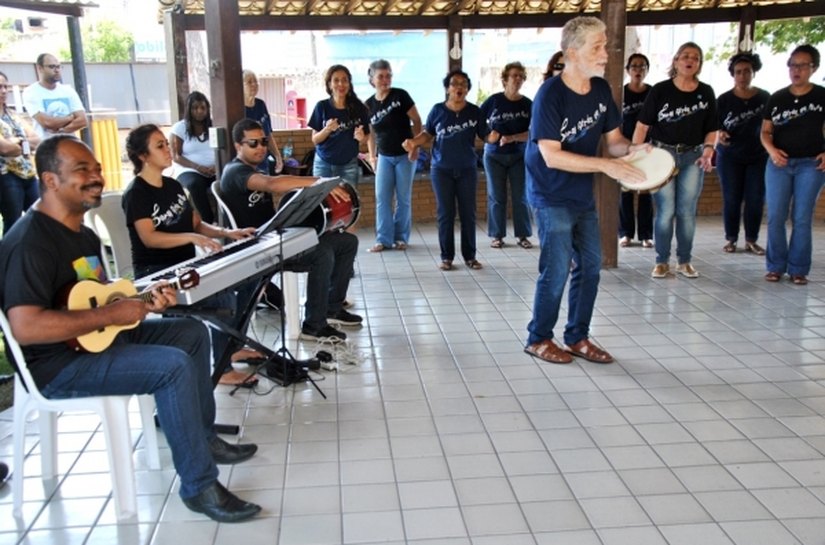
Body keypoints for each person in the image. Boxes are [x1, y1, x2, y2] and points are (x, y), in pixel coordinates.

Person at [0, 135, 261, 522]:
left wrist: (143, 300)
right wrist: (111, 315)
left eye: (97, 169)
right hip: (57, 365)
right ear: (50, 180)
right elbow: (25, 327)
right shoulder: (30, 242)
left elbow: (95, 294)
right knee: (171, 366)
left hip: (95, 342)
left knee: (190, 333)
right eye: (82, 170)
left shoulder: (84, 235)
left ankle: (203, 438)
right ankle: (199, 486)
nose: (96, 177)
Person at [523, 16, 645, 365]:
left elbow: (615, 141)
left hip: (580, 194)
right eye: (597, 47)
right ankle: (538, 338)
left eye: (605, 45)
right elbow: (551, 155)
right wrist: (606, 165)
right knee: (557, 268)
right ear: (572, 52)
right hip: (550, 194)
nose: (606, 54)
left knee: (591, 266)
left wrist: (635, 151)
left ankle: (577, 337)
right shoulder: (550, 94)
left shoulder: (601, 90)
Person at [121, 124, 262, 386]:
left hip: (186, 267)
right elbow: (149, 237)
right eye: (160, 146)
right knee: (222, 297)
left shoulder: (173, 185)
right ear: (142, 156)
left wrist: (228, 233)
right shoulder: (136, 193)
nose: (168, 149)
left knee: (245, 282)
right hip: (157, 274)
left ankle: (231, 348)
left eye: (166, 143)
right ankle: (222, 369)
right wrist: (190, 237)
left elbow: (196, 223)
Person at [220, 119, 361, 342]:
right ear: (238, 146)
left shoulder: (255, 169)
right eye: (253, 143)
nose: (261, 147)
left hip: (274, 239)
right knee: (321, 253)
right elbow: (272, 184)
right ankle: (314, 325)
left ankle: (332, 308)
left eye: (263, 141)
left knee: (346, 242)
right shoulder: (235, 172)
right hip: (256, 249)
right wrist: (320, 181)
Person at [633, 42, 718, 279]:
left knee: (686, 211)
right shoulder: (660, 90)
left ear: (699, 64)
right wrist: (637, 155)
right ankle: (661, 261)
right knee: (665, 210)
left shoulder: (706, 92)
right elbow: (642, 126)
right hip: (663, 155)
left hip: (693, 156)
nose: (690, 60)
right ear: (676, 61)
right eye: (686, 56)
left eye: (696, 58)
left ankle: (684, 261)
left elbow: (712, 129)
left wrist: (708, 151)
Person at [402, 70, 487, 271]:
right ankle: (446, 257)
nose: (459, 87)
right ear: (448, 88)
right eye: (454, 84)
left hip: (467, 169)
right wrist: (413, 142)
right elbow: (428, 134)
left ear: (467, 89)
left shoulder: (474, 112)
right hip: (441, 170)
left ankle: (470, 256)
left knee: (468, 213)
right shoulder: (437, 110)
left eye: (463, 84)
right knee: (445, 213)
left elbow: (486, 135)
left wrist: (499, 136)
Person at [761, 44, 825, 285]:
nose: (796, 70)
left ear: (813, 68)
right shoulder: (777, 97)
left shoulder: (821, 96)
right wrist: (772, 150)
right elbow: (765, 131)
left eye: (802, 65)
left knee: (802, 217)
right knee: (776, 216)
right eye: (792, 65)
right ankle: (775, 266)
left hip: (810, 164)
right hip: (779, 164)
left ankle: (798, 268)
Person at [365, 59, 422, 253]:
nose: (385, 80)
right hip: (384, 157)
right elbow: (370, 134)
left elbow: (417, 120)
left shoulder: (400, 95)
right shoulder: (368, 105)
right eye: (381, 76)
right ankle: (383, 239)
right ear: (372, 79)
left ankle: (400, 238)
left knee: (403, 198)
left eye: (388, 75)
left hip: (405, 155)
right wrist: (372, 157)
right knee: (382, 198)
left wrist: (416, 145)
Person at [716, 52, 770, 256]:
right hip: (730, 157)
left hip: (758, 156)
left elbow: (773, 124)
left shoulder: (765, 98)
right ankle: (731, 238)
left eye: (747, 71)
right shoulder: (724, 100)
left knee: (755, 198)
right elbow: (714, 127)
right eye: (738, 72)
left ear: (753, 73)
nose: (742, 76)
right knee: (732, 198)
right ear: (733, 74)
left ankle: (751, 240)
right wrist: (720, 134)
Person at [480, 61, 533, 250]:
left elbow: (535, 132)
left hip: (519, 155)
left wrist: (513, 138)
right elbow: (478, 122)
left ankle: (523, 235)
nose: (518, 79)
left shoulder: (528, 104)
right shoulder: (494, 101)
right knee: (496, 196)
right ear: (504, 80)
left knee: (520, 196)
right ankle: (497, 235)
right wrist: (489, 136)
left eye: (521, 76)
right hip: (494, 156)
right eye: (514, 75)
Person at [309, 65, 371, 186]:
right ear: (329, 84)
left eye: (344, 80)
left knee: (348, 197)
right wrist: (327, 129)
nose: (341, 84)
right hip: (323, 165)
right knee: (323, 198)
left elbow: (367, 136)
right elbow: (315, 139)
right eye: (336, 80)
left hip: (349, 165)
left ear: (349, 83)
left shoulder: (359, 108)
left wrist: (362, 138)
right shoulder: (322, 106)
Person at [619, 53, 654, 249]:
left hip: (647, 148)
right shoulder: (621, 93)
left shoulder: (653, 93)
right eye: (634, 66)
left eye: (642, 66)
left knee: (645, 192)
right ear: (628, 70)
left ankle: (646, 235)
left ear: (647, 70)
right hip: (625, 148)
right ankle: (625, 233)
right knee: (625, 191)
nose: (638, 70)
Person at [0, 70, 40, 234]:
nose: (3, 91)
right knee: (13, 222)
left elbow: (36, 139)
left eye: (5, 87)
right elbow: (5, 148)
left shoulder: (13, 115)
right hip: (5, 176)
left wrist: (17, 141)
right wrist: (23, 143)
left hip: (28, 173)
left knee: (40, 217)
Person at [170, 91, 217, 224]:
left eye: (203, 107)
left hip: (213, 169)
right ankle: (209, 221)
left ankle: (224, 218)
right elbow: (175, 156)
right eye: (195, 108)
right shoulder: (180, 128)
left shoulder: (214, 125)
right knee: (194, 184)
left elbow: (222, 149)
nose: (200, 111)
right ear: (189, 109)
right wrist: (198, 167)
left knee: (227, 180)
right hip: (189, 169)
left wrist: (217, 166)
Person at [22, 53, 87, 140]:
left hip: (69, 143)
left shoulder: (68, 90)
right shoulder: (31, 92)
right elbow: (47, 123)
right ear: (40, 68)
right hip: (46, 144)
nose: (56, 70)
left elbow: (83, 120)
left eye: (58, 67)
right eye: (52, 67)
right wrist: (70, 118)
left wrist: (62, 130)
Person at [243, 69, 283, 175]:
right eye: (249, 82)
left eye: (256, 81)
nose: (254, 84)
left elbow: (268, 134)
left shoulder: (261, 104)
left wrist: (277, 155)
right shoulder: (238, 109)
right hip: (247, 163)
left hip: (263, 160)